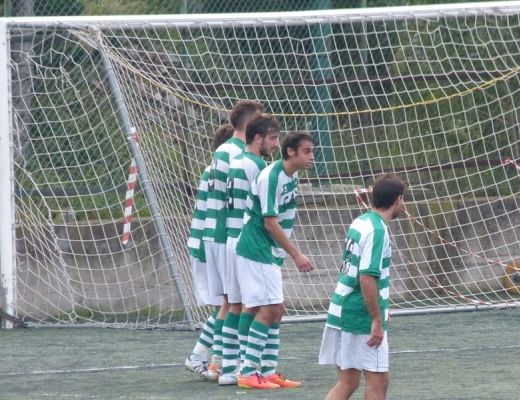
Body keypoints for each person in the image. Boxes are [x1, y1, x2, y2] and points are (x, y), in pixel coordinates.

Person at [235, 131, 315, 389]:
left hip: (268, 250)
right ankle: (248, 371)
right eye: (307, 151)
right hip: (256, 248)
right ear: (290, 151)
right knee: (270, 309)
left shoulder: (292, 175)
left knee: (270, 310)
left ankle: (267, 371)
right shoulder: (271, 176)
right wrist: (296, 254)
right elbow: (270, 223)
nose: (312, 157)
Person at [319, 173, 406, 400]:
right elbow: (366, 277)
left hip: (342, 307)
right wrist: (376, 318)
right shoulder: (378, 231)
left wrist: (381, 308)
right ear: (397, 199)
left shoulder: (361, 221)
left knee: (347, 382)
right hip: (359, 316)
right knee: (378, 382)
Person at [202, 100, 265, 380]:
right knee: (239, 302)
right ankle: (230, 364)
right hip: (230, 233)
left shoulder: (225, 150)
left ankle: (219, 362)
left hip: (220, 232)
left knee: (229, 302)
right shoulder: (239, 154)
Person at [219, 114, 280, 386]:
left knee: (237, 305)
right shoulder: (257, 165)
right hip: (246, 240)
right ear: (258, 138)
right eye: (272, 138)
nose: (275, 144)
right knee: (253, 305)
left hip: (230, 239)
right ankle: (247, 369)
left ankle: (228, 369)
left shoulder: (237, 161)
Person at [184, 123, 234, 377]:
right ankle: (204, 357)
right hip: (209, 243)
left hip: (206, 242)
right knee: (228, 302)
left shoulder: (213, 170)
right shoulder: (220, 171)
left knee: (227, 303)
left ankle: (213, 358)